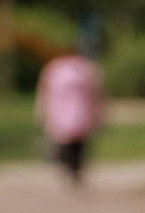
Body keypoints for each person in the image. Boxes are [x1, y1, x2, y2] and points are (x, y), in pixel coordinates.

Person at [34, 42, 105, 188]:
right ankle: (73, 170)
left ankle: (72, 170)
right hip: (75, 113)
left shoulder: (56, 68)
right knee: (73, 144)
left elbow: (43, 92)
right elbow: (98, 93)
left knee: (70, 144)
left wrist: (40, 110)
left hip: (69, 113)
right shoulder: (86, 69)